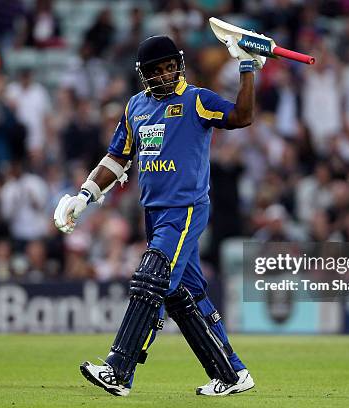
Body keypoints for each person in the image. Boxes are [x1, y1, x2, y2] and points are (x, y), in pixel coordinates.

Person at [53, 35, 264, 396]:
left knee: (151, 280)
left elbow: (242, 116)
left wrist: (246, 68)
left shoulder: (196, 100)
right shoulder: (136, 106)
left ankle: (119, 370)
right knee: (184, 295)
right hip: (154, 214)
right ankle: (231, 373)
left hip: (184, 209)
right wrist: (84, 195)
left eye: (170, 67)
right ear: (144, 74)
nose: (165, 75)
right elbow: (118, 157)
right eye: (156, 70)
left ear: (179, 65)